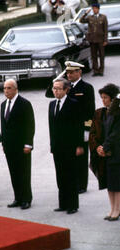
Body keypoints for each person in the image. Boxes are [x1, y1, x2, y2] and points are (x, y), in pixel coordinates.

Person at [46, 61, 95, 194]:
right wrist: (58, 77)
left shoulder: (86, 88)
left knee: (80, 158)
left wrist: (86, 129)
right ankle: (72, 184)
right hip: (67, 130)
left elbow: (90, 110)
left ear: (79, 72)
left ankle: (81, 184)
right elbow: (48, 93)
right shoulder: (64, 86)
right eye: (67, 72)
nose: (69, 74)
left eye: (72, 72)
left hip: (80, 127)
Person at [48, 78, 84, 214]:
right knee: (60, 175)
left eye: (58, 88)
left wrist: (79, 145)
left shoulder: (73, 104)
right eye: (54, 88)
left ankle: (72, 204)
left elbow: (78, 126)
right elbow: (52, 127)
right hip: (58, 147)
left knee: (71, 175)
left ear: (66, 90)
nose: (55, 91)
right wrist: (52, 145)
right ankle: (63, 203)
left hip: (70, 146)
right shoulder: (52, 104)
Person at [0, 79, 35, 210]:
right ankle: (17, 197)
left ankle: (26, 198)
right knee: (14, 172)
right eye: (4, 88)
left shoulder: (24, 104)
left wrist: (28, 144)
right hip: (9, 146)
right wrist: (4, 142)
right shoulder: (4, 105)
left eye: (9, 88)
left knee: (24, 172)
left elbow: (30, 125)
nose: (6, 91)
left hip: (22, 145)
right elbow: (4, 125)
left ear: (15, 89)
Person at [89, 84, 120, 220]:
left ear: (113, 99)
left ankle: (117, 210)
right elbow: (93, 132)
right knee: (108, 182)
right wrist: (98, 148)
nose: (103, 100)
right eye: (102, 97)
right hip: (103, 152)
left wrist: (105, 148)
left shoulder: (117, 113)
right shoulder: (100, 112)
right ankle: (112, 208)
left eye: (106, 97)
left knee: (116, 183)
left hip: (115, 152)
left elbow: (115, 134)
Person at [79, 2, 108, 76]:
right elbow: (81, 21)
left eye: (95, 8)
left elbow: (105, 29)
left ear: (98, 9)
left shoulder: (103, 17)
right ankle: (95, 71)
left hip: (101, 40)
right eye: (93, 9)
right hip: (92, 40)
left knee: (101, 56)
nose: (94, 10)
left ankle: (101, 71)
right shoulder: (90, 17)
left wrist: (105, 40)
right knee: (93, 56)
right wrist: (86, 13)